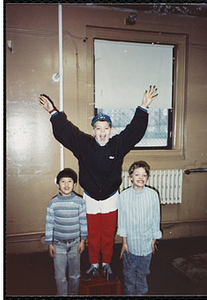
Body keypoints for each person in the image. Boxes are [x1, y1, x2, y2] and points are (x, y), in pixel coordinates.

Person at [39, 85, 158, 282]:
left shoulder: (118, 145)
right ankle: (94, 265)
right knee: (93, 235)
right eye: (98, 128)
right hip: (91, 198)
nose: (102, 132)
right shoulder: (83, 145)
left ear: (110, 130)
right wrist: (53, 111)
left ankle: (108, 265)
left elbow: (134, 132)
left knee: (108, 234)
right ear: (93, 131)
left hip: (111, 198)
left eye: (106, 128)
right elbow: (65, 132)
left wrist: (144, 106)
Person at [117, 161, 162, 295]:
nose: (140, 177)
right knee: (129, 273)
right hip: (130, 244)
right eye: (137, 174)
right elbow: (122, 220)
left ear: (147, 177)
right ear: (130, 177)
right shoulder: (124, 196)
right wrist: (124, 243)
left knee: (143, 273)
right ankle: (130, 293)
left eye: (144, 175)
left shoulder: (153, 195)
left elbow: (156, 218)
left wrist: (154, 240)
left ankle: (142, 293)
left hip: (146, 243)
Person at [45, 168, 88, 296]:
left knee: (75, 274)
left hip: (75, 244)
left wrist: (83, 241)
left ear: (74, 184)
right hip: (58, 244)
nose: (66, 184)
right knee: (59, 276)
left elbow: (83, 222)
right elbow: (49, 224)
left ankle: (74, 294)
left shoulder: (80, 202)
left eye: (69, 181)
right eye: (63, 181)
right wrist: (49, 243)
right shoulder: (53, 204)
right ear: (58, 185)